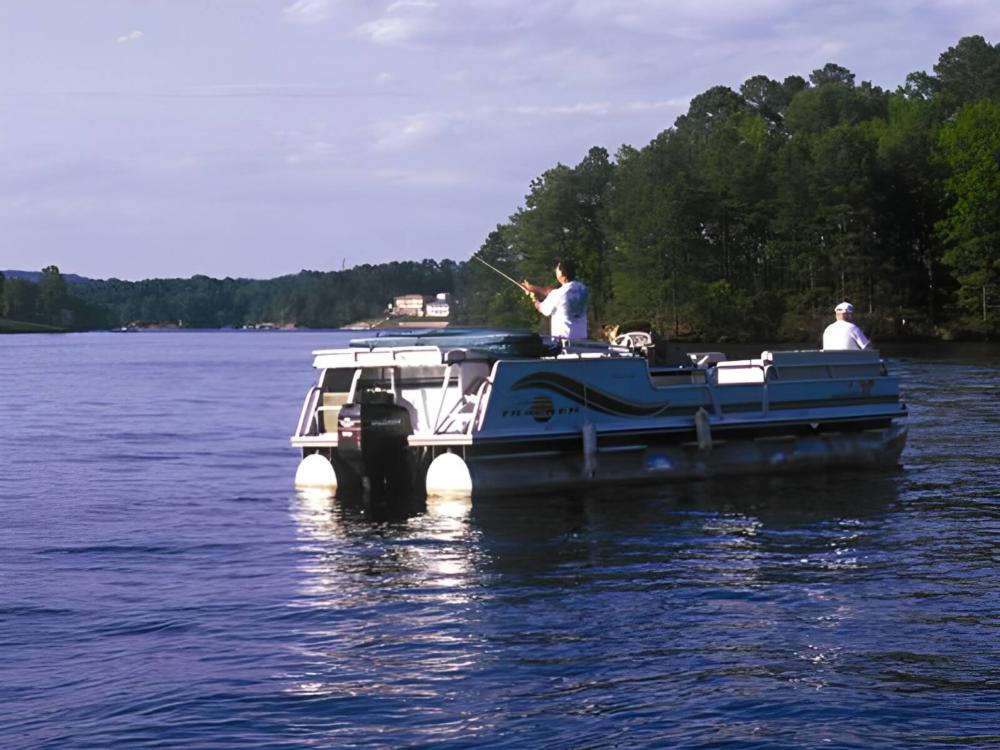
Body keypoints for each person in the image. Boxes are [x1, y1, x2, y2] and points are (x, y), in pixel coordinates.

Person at [521, 259, 589, 339]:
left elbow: (541, 308)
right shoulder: (583, 289)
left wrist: (534, 299)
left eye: (557, 269)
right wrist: (532, 288)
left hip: (563, 342)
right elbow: (552, 292)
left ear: (562, 274)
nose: (555, 270)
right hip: (582, 341)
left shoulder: (558, 294)